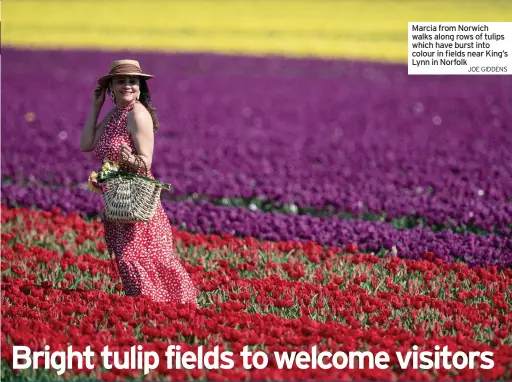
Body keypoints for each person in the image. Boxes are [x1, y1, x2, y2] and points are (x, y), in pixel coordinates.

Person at [80, 59, 198, 305]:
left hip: (137, 199)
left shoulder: (137, 114)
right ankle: (147, 310)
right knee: (128, 258)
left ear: (140, 86)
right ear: (110, 86)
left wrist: (129, 159)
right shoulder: (116, 114)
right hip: (119, 198)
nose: (127, 86)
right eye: (120, 81)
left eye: (132, 81)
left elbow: (146, 163)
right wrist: (95, 107)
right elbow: (86, 144)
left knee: (143, 257)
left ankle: (170, 308)